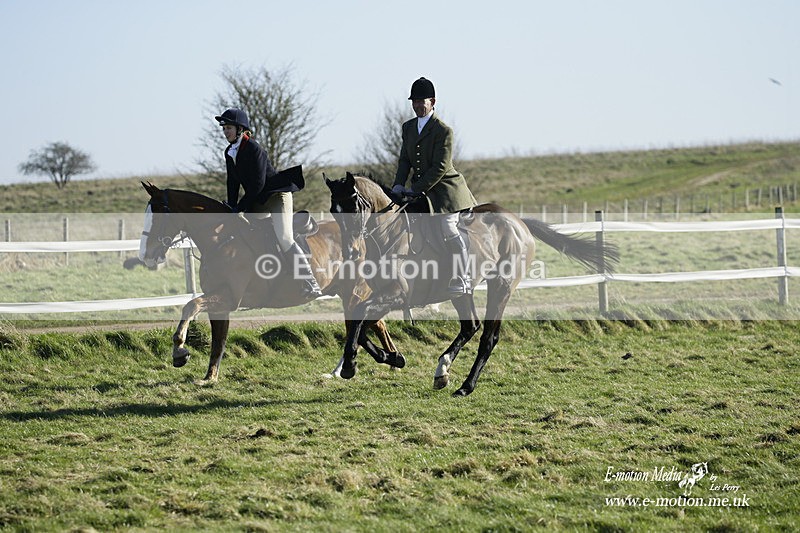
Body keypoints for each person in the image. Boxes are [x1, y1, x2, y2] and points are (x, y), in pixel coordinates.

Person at [215, 108, 322, 299]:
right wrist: (232, 207)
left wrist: (239, 207)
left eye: (228, 128)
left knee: (284, 237)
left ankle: (309, 281)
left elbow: (258, 184)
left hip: (276, 196)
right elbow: (232, 182)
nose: (225, 132)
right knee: (245, 229)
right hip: (258, 198)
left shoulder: (254, 149)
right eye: (224, 129)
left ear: (240, 129)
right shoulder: (229, 151)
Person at [391, 78, 477, 296]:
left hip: (445, 192)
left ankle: (463, 276)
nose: (418, 105)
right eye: (415, 101)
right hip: (419, 191)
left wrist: (415, 188)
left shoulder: (443, 131)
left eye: (422, 101)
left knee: (447, 227)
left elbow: (440, 167)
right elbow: (404, 161)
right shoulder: (408, 127)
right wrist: (399, 185)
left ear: (433, 102)